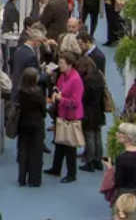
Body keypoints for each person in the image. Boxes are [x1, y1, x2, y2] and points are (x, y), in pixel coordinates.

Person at [46, 51, 83, 183]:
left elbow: (75, 102)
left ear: (69, 64)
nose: (59, 65)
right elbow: (59, 87)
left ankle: (71, 174)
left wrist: (61, 99)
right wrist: (56, 91)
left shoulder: (76, 80)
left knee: (69, 146)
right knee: (59, 142)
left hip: (71, 116)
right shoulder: (63, 76)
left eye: (61, 63)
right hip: (61, 114)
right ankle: (56, 168)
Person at [14, 68, 45, 187]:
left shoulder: (20, 91)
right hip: (36, 125)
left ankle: (22, 178)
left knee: (23, 151)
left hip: (23, 124)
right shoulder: (38, 92)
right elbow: (43, 110)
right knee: (36, 152)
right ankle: (34, 180)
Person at [75, 56, 106, 173]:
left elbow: (83, 98)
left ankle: (90, 161)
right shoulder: (99, 75)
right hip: (98, 109)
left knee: (89, 135)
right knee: (97, 134)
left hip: (88, 110)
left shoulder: (85, 80)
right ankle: (98, 160)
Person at [113, 123, 136, 220]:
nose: (116, 134)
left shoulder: (121, 158)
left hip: (124, 193)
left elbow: (118, 181)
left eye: (120, 132)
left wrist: (110, 169)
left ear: (128, 137)